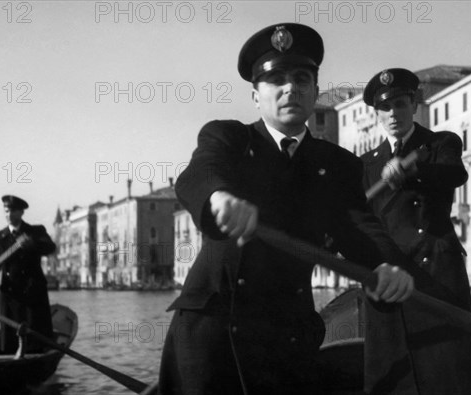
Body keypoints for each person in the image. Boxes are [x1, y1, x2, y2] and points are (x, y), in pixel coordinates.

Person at [158, 23, 422, 395]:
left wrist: (388, 266)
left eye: (301, 78)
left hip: (285, 336)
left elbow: (362, 227)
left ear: (314, 90)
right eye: (276, 79)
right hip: (215, 335)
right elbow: (200, 172)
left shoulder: (338, 165)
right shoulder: (230, 139)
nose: (290, 88)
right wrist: (219, 197)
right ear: (256, 95)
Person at [360, 68, 471, 394]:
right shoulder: (365, 164)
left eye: (400, 104)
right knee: (393, 372)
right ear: (376, 114)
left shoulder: (440, 143)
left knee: (449, 373)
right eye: (385, 109)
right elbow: (361, 218)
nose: (393, 114)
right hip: (388, 274)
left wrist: (411, 170)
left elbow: (454, 174)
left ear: (414, 104)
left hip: (437, 273)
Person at [0, 195, 56, 353]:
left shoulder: (35, 231)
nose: (9, 215)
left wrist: (32, 244)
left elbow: (50, 248)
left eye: (13, 212)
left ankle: (38, 356)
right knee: (10, 339)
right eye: (6, 211)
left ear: (21, 213)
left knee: (37, 336)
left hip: (33, 294)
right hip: (10, 296)